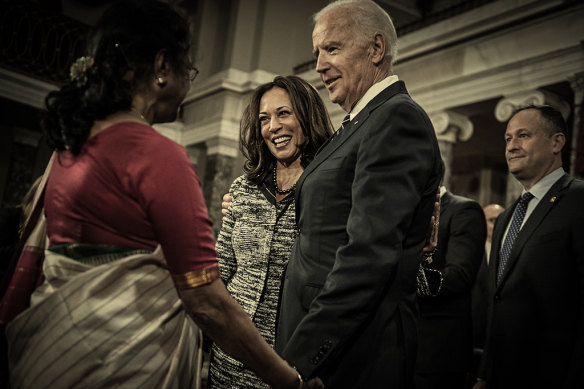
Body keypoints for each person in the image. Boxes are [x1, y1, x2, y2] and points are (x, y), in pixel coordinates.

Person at [0, 2, 322, 388]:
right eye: (189, 69)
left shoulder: (69, 149)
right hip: (122, 362)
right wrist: (288, 381)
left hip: (54, 351)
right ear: (162, 67)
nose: (190, 82)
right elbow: (206, 300)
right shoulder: (158, 155)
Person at [274, 1, 443, 387]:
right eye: (317, 52)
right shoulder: (358, 124)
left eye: (332, 49)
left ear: (376, 49)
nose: (318, 65)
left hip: (357, 353)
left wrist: (300, 359)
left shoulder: (397, 118)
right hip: (332, 345)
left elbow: (368, 253)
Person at [208, 76, 332, 388]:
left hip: (290, 363)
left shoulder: (328, 190)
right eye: (264, 118)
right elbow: (222, 267)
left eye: (284, 114)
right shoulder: (243, 188)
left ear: (307, 116)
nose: (272, 126)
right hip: (230, 355)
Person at [474, 105, 584, 389]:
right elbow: (497, 302)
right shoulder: (506, 218)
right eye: (508, 138)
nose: (512, 146)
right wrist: (485, 373)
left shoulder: (578, 200)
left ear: (557, 142)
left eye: (523, 135)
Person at [414, 184, 486, 389]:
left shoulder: (464, 210)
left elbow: (458, 276)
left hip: (437, 351)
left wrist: (408, 282)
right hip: (402, 345)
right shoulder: (408, 212)